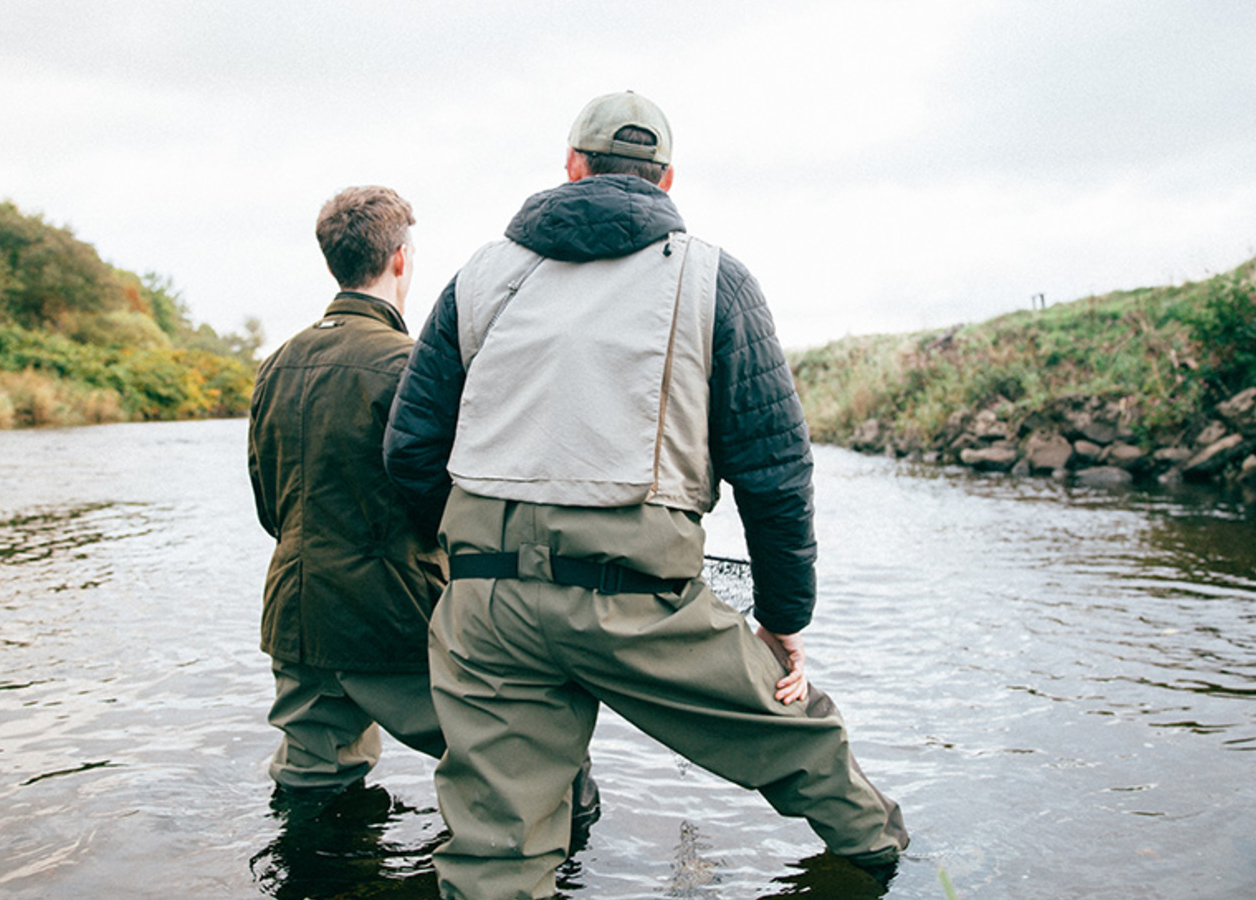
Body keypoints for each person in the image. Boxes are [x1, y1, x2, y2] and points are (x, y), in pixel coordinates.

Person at [384, 92, 909, 898]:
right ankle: (885, 866)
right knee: (803, 740)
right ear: (665, 178)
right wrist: (781, 619)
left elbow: (412, 451)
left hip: (486, 605)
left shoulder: (474, 278)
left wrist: (474, 566)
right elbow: (773, 474)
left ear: (571, 166)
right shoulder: (716, 281)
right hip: (638, 600)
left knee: (495, 856)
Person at [247, 186, 448, 796]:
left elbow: (268, 506)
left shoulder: (275, 363)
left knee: (311, 787)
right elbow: (443, 508)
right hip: (394, 618)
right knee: (521, 755)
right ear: (400, 260)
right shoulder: (413, 365)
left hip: (299, 616)